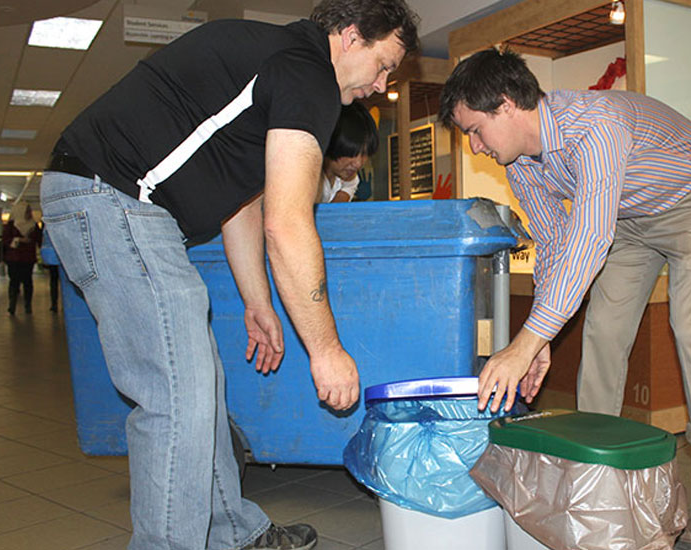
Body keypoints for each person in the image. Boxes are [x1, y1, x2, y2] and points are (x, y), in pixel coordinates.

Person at [39, 1, 419, 549]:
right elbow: (289, 225)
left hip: (109, 198)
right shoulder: (308, 71)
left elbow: (243, 202)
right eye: (383, 66)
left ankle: (230, 531)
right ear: (351, 37)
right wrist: (326, 349)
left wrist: (257, 302)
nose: (381, 84)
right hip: (114, 197)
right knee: (176, 398)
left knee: (196, 384)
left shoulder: (275, 61)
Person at [440, 48, 691, 549]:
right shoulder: (521, 165)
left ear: (507, 103)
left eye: (475, 130)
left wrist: (521, 344)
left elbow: (588, 240)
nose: (474, 148)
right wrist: (538, 343)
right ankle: (594, 474)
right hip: (630, 221)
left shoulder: (595, 125)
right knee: (603, 332)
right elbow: (559, 249)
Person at [318, 102, 379, 203]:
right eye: (351, 153)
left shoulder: (347, 178)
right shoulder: (304, 179)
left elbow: (350, 185)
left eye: (364, 154)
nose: (358, 164)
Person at [2, 201, 42, 315]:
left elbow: (39, 240)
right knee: (14, 282)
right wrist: (18, 240)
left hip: (27, 258)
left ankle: (27, 305)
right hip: (13, 258)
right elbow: (5, 241)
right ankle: (12, 304)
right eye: (27, 211)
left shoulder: (33, 225)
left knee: (27, 282)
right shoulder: (10, 226)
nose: (29, 213)